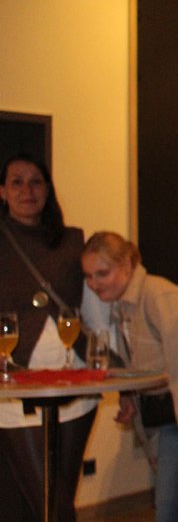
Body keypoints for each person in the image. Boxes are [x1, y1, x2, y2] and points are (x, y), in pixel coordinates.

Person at [81, 231, 178, 522]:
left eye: (102, 274)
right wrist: (129, 397)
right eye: (88, 276)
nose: (94, 285)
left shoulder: (161, 297)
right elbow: (144, 366)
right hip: (175, 410)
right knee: (169, 507)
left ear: (127, 265)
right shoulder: (123, 306)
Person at [0, 152, 97, 522]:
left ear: (48, 189)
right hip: (14, 388)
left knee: (58, 497)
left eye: (36, 181)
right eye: (17, 182)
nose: (27, 190)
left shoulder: (73, 241)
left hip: (74, 383)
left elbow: (96, 305)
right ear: (2, 191)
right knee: (45, 501)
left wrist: (115, 368)